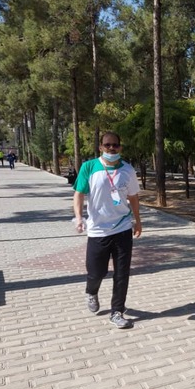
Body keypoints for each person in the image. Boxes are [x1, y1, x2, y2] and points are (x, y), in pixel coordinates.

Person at [73, 132, 142, 329]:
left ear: (120, 147)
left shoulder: (127, 170)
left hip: (122, 228)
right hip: (98, 231)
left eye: (115, 145)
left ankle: (117, 311)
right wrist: (79, 217)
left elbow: (133, 197)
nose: (112, 148)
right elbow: (79, 194)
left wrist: (138, 221)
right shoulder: (89, 167)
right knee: (96, 272)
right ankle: (91, 292)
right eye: (107, 145)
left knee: (122, 273)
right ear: (101, 147)